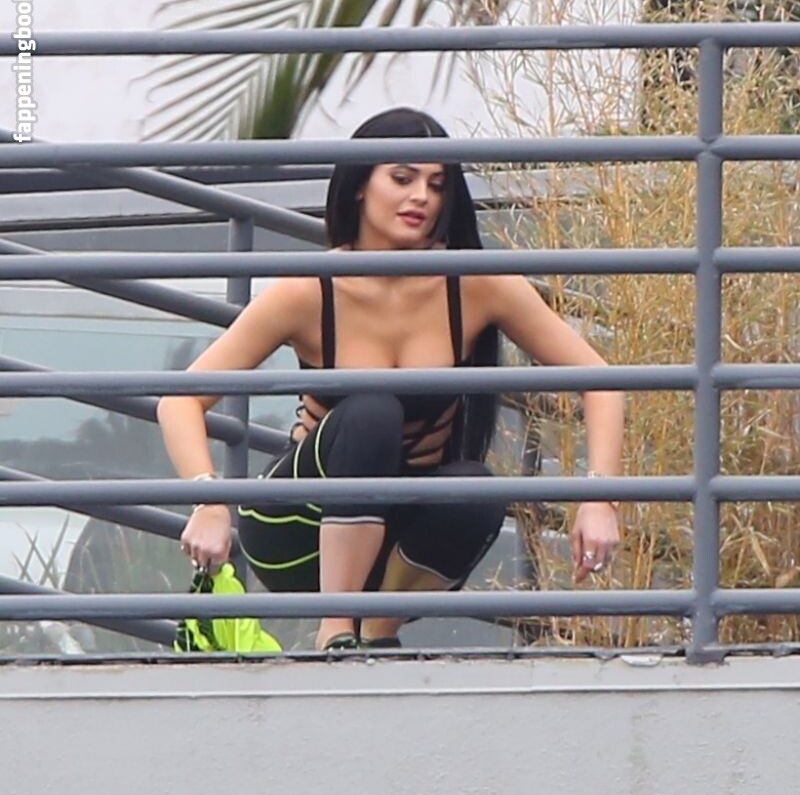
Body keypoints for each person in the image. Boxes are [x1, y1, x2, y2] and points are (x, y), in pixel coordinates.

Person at [156, 107, 624, 651]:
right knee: (372, 409)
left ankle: (377, 637)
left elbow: (601, 380)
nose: (421, 197)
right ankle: (335, 632)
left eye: (436, 185)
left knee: (477, 488)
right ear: (360, 185)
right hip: (299, 532)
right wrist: (209, 502)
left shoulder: (476, 283)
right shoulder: (309, 290)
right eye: (402, 178)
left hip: (403, 547)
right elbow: (180, 400)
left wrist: (599, 499)